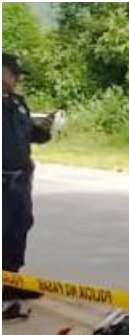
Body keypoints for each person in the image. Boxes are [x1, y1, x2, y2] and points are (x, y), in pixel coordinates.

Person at [2, 53, 54, 299]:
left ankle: (11, 281)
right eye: (12, 73)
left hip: (20, 179)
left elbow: (29, 134)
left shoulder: (18, 103)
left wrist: (44, 128)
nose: (15, 79)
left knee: (19, 227)